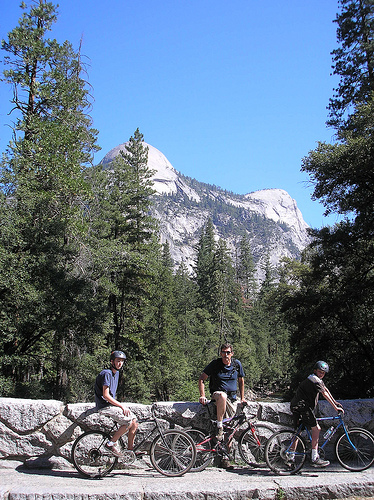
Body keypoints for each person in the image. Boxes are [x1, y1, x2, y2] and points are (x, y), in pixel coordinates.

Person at [290, 360, 344, 467]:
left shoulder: (317, 379)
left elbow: (326, 390)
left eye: (323, 373)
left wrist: (335, 402)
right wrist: (336, 408)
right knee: (317, 429)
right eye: (319, 372)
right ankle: (315, 458)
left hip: (298, 406)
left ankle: (290, 458)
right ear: (315, 371)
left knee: (298, 432)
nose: (321, 374)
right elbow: (324, 394)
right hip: (302, 407)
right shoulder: (314, 380)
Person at [94, 350, 138, 458]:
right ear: (112, 361)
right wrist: (121, 405)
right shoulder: (107, 373)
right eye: (118, 361)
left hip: (111, 405)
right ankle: (110, 443)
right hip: (104, 406)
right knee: (127, 422)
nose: (120, 363)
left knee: (134, 422)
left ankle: (130, 451)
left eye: (122, 361)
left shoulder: (116, 373)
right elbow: (106, 395)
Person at [198, 342, 246, 441]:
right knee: (222, 396)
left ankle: (225, 454)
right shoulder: (215, 364)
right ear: (220, 353)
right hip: (217, 396)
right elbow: (202, 379)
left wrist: (242, 398)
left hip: (232, 399)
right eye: (223, 352)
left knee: (229, 435)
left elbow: (241, 381)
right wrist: (202, 395)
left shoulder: (236, 364)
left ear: (232, 353)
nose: (225, 355)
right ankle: (219, 426)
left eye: (228, 352)